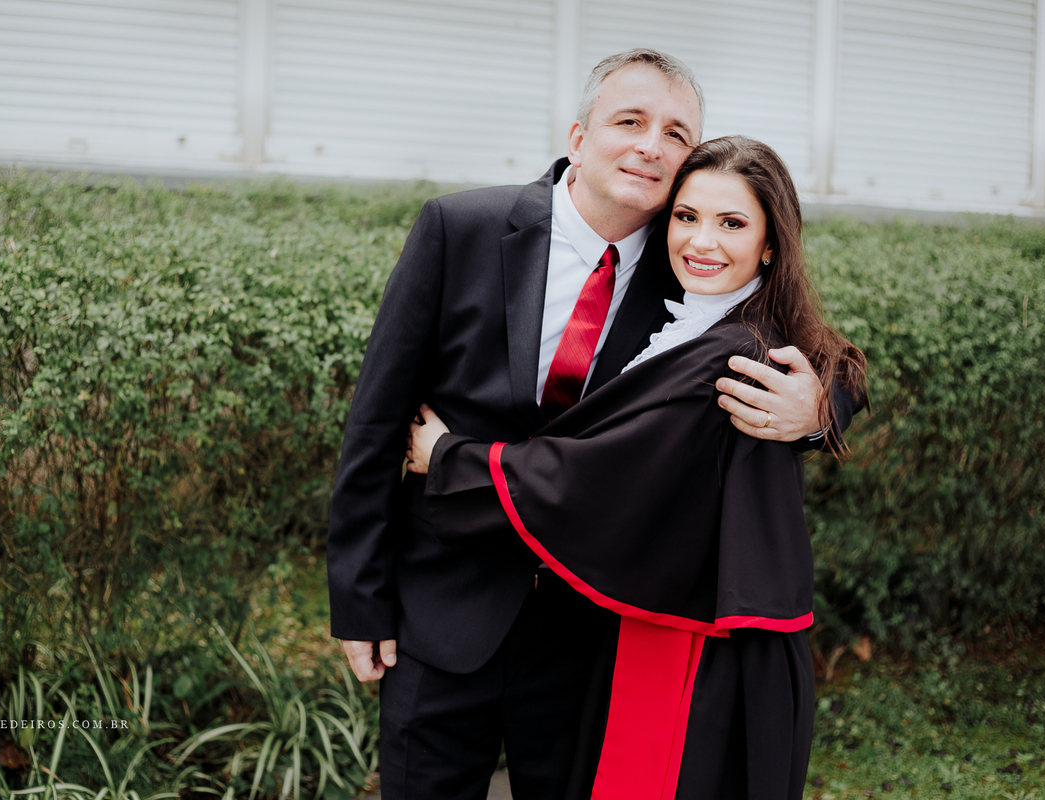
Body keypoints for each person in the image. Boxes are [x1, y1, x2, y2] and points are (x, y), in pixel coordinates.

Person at [327, 49, 862, 800]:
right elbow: (377, 419)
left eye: (676, 133)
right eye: (630, 121)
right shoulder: (462, 228)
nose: (651, 144)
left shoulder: (690, 271)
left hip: (594, 633)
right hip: (444, 613)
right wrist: (359, 598)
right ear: (579, 136)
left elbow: (822, 355)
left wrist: (811, 414)